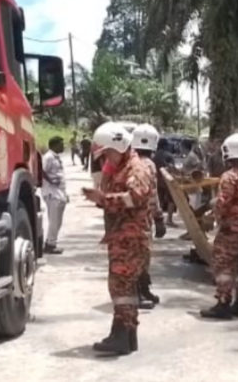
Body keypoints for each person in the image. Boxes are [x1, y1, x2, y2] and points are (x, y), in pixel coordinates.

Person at [82, 122, 153, 355]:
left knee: (121, 286)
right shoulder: (124, 168)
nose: (105, 160)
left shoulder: (136, 168)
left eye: (107, 154)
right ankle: (125, 334)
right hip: (124, 237)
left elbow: (135, 197)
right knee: (123, 288)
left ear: (119, 146)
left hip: (130, 239)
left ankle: (122, 335)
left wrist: (104, 199)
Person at [200, 133, 238, 320]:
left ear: (228, 152)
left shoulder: (229, 177)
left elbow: (223, 202)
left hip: (232, 231)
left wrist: (213, 214)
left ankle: (223, 303)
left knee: (223, 265)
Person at [131, 123, 166, 309]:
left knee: (141, 256)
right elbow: (152, 194)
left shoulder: (130, 162)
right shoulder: (148, 165)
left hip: (131, 219)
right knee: (141, 256)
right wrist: (159, 218)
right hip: (141, 220)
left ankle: (143, 290)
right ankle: (137, 293)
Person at [41, 136, 67, 255]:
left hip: (59, 193)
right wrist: (51, 181)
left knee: (58, 221)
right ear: (55, 145)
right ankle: (50, 245)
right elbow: (42, 171)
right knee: (54, 220)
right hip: (52, 193)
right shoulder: (48, 157)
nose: (63, 146)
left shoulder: (56, 157)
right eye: (61, 144)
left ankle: (51, 242)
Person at [154, 138, 176, 226]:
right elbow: (172, 168)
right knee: (171, 200)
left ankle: (157, 219)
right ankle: (169, 220)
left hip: (157, 180)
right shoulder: (169, 155)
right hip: (167, 181)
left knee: (159, 200)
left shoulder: (154, 156)